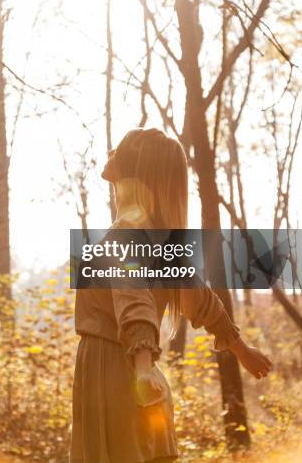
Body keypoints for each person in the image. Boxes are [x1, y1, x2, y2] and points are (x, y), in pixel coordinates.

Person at [71, 128, 272, 463]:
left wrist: (143, 368)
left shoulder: (129, 237)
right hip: (128, 361)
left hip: (114, 364)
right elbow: (200, 299)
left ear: (135, 179)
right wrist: (241, 350)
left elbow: (136, 301)